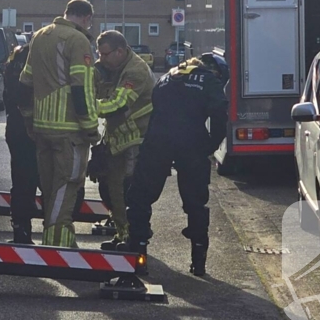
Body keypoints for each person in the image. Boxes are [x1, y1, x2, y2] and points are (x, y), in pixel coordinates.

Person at [126, 51, 229, 277]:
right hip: (192, 143)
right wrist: (210, 145)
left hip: (157, 141)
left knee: (140, 197)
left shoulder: (168, 77)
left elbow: (156, 107)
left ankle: (138, 253)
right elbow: (220, 114)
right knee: (195, 202)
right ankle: (198, 261)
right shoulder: (209, 80)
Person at [19, 0, 99, 248]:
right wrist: (90, 127)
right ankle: (57, 244)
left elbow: (25, 82)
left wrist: (30, 120)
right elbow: (81, 87)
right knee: (67, 186)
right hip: (70, 131)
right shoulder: (78, 40)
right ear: (86, 18)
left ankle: (56, 239)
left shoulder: (40, 35)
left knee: (50, 186)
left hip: (42, 128)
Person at [93, 30, 155, 251]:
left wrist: (84, 108)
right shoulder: (113, 67)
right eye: (98, 54)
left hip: (135, 142)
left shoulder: (135, 71)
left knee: (130, 193)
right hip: (117, 141)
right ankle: (122, 236)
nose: (101, 59)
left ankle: (135, 240)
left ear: (120, 51)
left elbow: (117, 105)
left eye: (105, 54)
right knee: (110, 190)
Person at [3, 43, 38, 244]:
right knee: (47, 182)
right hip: (37, 128)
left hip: (15, 127)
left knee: (21, 180)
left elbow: (9, 97)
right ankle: (53, 233)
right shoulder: (38, 61)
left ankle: (21, 230)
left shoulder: (14, 61)